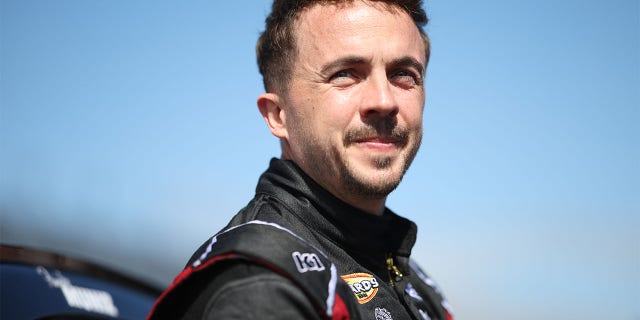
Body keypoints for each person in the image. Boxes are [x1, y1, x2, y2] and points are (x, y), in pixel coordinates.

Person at [148, 0, 454, 319]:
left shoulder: (416, 281)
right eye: (345, 74)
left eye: (403, 74)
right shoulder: (259, 283)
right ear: (278, 116)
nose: (383, 100)